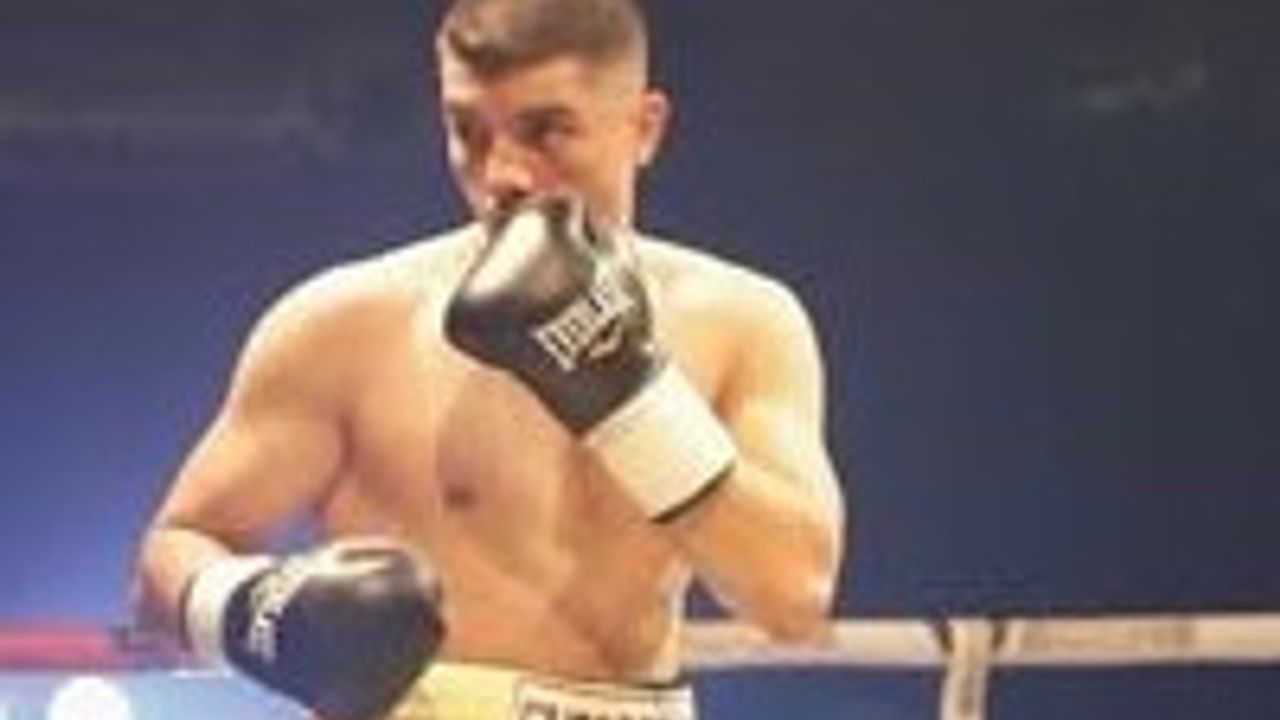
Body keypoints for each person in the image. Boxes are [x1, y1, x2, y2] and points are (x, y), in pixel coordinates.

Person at [131, 0, 846, 718]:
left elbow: (793, 597)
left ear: (644, 128)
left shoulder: (742, 321)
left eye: (546, 131)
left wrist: (623, 389)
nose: (502, 173)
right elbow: (170, 556)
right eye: (467, 133)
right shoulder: (348, 325)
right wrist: (255, 610)